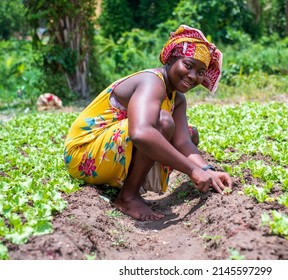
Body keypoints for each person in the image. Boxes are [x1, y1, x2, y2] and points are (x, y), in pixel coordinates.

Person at [63, 25, 232, 221]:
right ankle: (127, 197)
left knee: (189, 133)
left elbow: (183, 142)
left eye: (201, 72)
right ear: (170, 60)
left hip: (106, 153)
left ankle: (130, 186)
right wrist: (191, 170)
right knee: (161, 122)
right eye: (188, 65)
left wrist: (207, 170)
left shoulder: (177, 98)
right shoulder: (152, 81)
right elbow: (141, 132)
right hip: (83, 154)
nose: (193, 76)